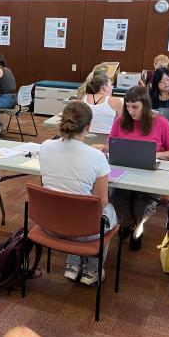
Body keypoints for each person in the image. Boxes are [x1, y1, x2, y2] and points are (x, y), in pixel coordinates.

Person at [39, 101, 118, 285]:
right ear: (88, 127)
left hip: (49, 223)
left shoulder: (45, 146)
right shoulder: (97, 157)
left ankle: (73, 265)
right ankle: (92, 270)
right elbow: (101, 201)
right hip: (83, 229)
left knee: (72, 206)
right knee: (109, 210)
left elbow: (47, 185)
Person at [105, 86, 169, 251]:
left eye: (135, 107)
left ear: (145, 105)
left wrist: (154, 155)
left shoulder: (161, 122)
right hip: (124, 171)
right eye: (127, 106)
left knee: (141, 204)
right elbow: (110, 145)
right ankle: (131, 225)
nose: (130, 111)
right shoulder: (120, 121)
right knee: (115, 198)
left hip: (150, 173)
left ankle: (134, 228)